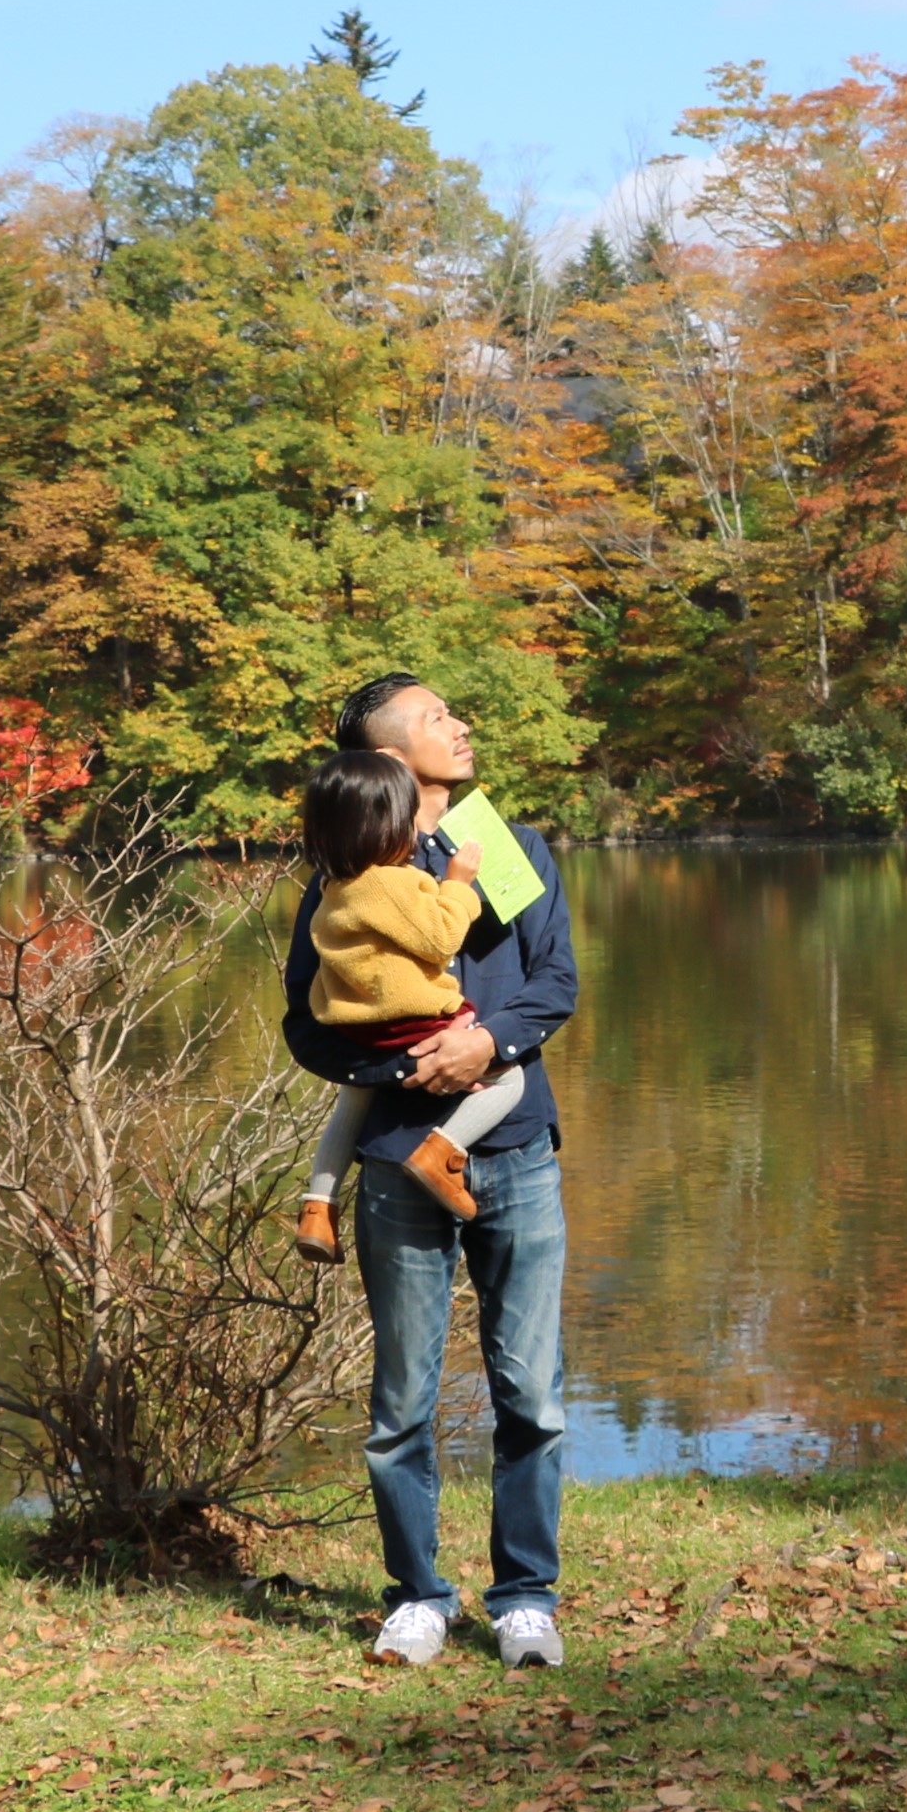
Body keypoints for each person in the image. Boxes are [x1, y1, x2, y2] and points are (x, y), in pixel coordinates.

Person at [282, 674, 578, 1673]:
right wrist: (403, 1067)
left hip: (517, 1151)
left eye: (459, 708)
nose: (462, 723)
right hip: (398, 1161)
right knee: (401, 1401)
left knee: (530, 1392)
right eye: (436, 717)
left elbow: (556, 984)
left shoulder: (511, 847)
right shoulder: (348, 865)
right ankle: (417, 1596)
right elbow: (306, 1023)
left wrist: (483, 1042)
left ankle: (526, 1596)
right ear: (389, 758)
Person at [290, 748, 528, 1254]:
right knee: (510, 1076)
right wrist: (458, 884)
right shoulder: (389, 882)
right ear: (386, 828)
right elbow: (441, 937)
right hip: (410, 1020)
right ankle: (444, 1151)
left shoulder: (337, 885)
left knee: (352, 1099)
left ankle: (317, 1204)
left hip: (358, 1029)